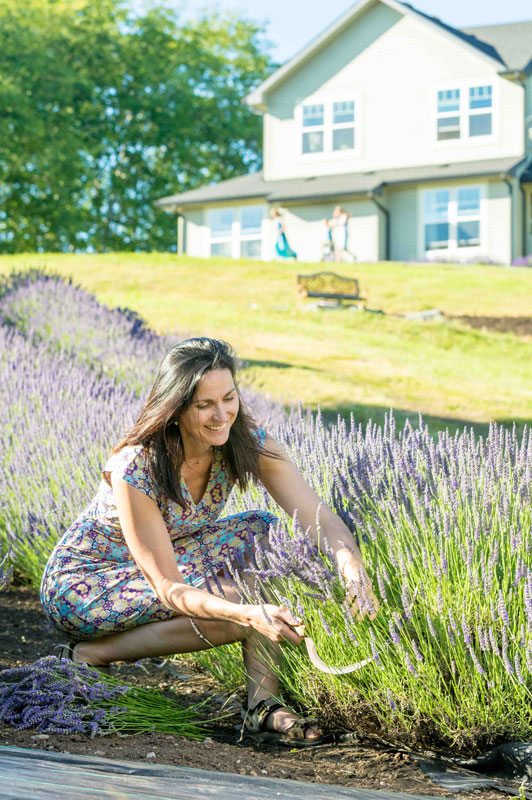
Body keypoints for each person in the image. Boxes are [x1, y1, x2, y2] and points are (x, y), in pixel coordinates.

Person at [40, 337, 378, 746]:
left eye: (229, 398)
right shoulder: (137, 467)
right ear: (177, 407)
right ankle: (90, 655)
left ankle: (262, 704)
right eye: (204, 405)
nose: (222, 415)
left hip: (171, 557)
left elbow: (318, 519)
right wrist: (244, 612)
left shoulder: (248, 442)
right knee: (239, 605)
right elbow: (168, 588)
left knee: (265, 532)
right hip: (88, 582)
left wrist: (352, 568)